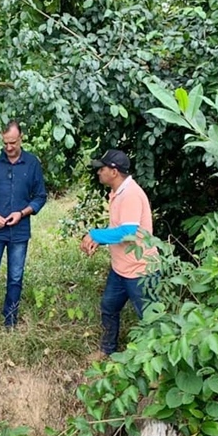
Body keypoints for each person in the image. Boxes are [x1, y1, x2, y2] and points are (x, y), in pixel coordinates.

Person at [80, 149, 158, 359]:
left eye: (102, 168)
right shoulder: (117, 193)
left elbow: (128, 233)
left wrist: (94, 234)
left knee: (150, 319)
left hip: (141, 270)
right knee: (109, 306)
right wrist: (101, 239)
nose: (99, 172)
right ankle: (107, 350)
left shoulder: (131, 194)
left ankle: (159, 370)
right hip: (121, 268)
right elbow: (119, 227)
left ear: (113, 172)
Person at [0, 120, 47, 339]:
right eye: (5, 143)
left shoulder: (32, 163)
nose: (9, 147)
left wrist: (23, 213)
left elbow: (40, 196)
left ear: (21, 138)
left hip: (20, 231)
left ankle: (10, 320)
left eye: (12, 143)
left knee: (15, 277)